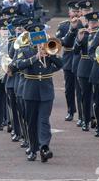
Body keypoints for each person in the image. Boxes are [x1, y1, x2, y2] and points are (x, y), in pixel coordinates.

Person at [16, 23, 63, 162]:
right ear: (30, 37)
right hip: (30, 89)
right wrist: (35, 57)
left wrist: (50, 55)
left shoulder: (49, 49)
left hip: (46, 90)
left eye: (40, 35)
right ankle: (32, 148)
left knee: (44, 120)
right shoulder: (25, 50)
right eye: (35, 36)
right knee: (31, 121)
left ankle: (44, 147)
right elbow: (18, 65)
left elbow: (61, 64)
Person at [56, 1, 79, 122]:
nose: (75, 14)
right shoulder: (64, 25)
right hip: (69, 57)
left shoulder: (85, 25)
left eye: (77, 11)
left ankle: (84, 114)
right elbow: (61, 42)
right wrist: (72, 29)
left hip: (81, 58)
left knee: (83, 88)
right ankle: (71, 110)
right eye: (73, 11)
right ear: (69, 12)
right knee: (69, 87)